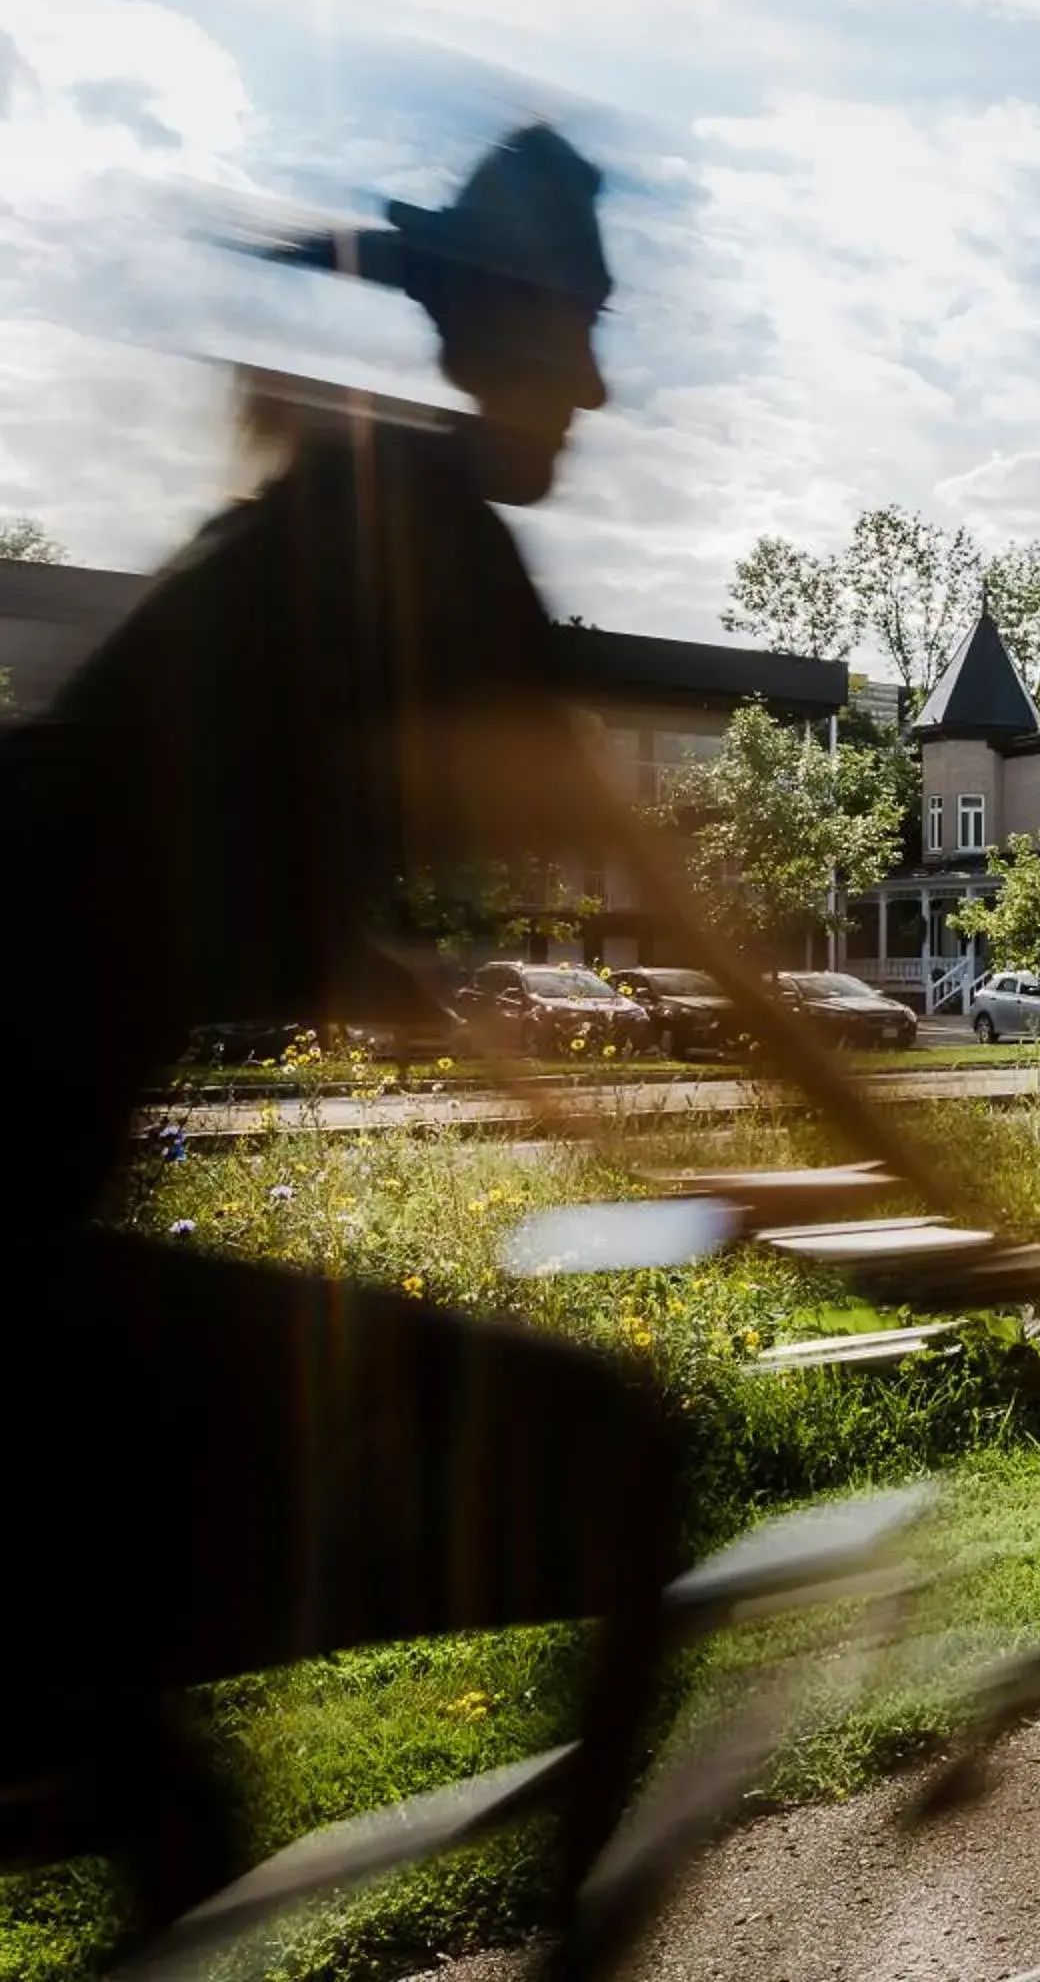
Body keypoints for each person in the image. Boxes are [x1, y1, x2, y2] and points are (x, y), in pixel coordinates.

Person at [0, 124, 682, 1968]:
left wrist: (694, 1171)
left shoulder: (314, 562)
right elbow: (736, 974)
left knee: (170, 1837)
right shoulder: (427, 554)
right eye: (583, 338)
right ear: (495, 333)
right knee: (626, 1454)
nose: (604, 387)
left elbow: (347, 955)